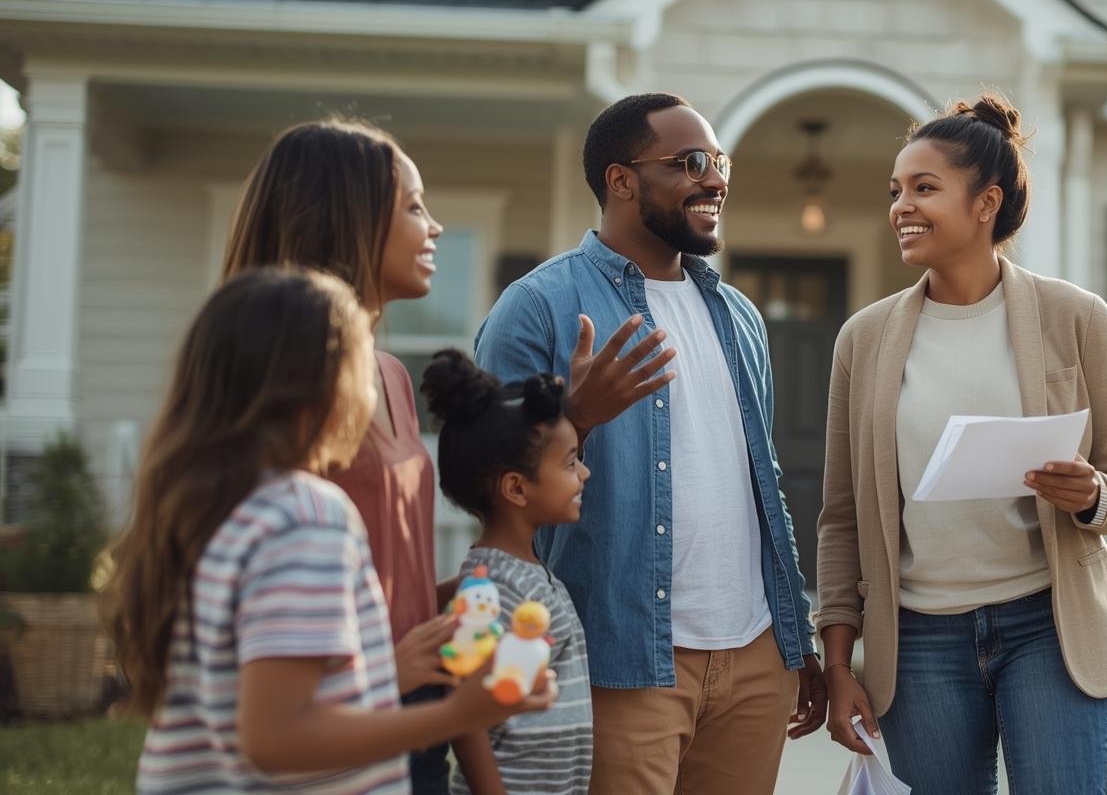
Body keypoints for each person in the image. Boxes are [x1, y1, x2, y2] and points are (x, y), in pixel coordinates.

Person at [475, 93, 826, 793]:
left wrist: (796, 639)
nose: (716, 180)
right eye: (691, 163)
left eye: (719, 163)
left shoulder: (740, 316)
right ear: (622, 181)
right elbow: (489, 483)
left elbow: (765, 484)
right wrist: (577, 417)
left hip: (756, 655)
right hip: (623, 656)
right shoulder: (539, 306)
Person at [104, 268, 555, 794]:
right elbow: (276, 738)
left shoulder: (205, 508)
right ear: (320, 389)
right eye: (363, 369)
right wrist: (461, 711)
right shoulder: (305, 516)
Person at [815, 93, 1107, 795]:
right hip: (919, 644)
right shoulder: (864, 340)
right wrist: (839, 664)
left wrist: (1091, 495)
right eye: (895, 191)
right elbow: (841, 517)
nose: (901, 205)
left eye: (924, 188)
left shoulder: (1078, 319)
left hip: (1050, 629)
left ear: (985, 202)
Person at [221, 118, 458, 792]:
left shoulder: (390, 376)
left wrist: (461, 594)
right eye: (413, 207)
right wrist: (391, 664)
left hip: (417, 713)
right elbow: (256, 582)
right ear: (344, 222)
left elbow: (378, 565)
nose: (433, 227)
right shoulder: (288, 386)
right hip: (329, 726)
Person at [417, 349, 594, 795]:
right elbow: (466, 713)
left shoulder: (516, 573)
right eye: (570, 463)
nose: (585, 473)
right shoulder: (493, 589)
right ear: (516, 488)